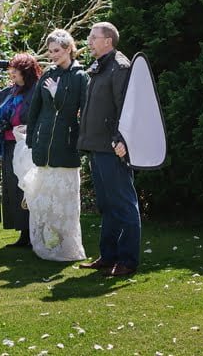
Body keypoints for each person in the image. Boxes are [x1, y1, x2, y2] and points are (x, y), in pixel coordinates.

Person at [77, 22, 139, 277]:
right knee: (107, 205)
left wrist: (121, 140)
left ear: (108, 41)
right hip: (97, 146)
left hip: (113, 149)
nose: (89, 41)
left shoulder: (120, 67)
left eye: (94, 37)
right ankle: (108, 256)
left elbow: (126, 108)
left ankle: (128, 260)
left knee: (124, 204)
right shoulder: (99, 67)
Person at [23, 29, 89, 261]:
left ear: (69, 48)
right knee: (43, 202)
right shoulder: (47, 74)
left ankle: (65, 247)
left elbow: (78, 111)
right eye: (50, 51)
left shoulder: (81, 76)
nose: (52, 55)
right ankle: (43, 244)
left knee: (64, 204)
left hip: (66, 147)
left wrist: (57, 93)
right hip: (44, 146)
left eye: (57, 50)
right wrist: (32, 137)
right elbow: (35, 109)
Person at [0, 53, 41, 248]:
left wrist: (22, 127)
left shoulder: (36, 91)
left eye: (15, 71)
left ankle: (33, 232)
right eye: (11, 71)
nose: (11, 74)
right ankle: (23, 233)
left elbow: (40, 116)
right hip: (10, 146)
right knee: (13, 188)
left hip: (28, 146)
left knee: (27, 188)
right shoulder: (9, 92)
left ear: (26, 72)